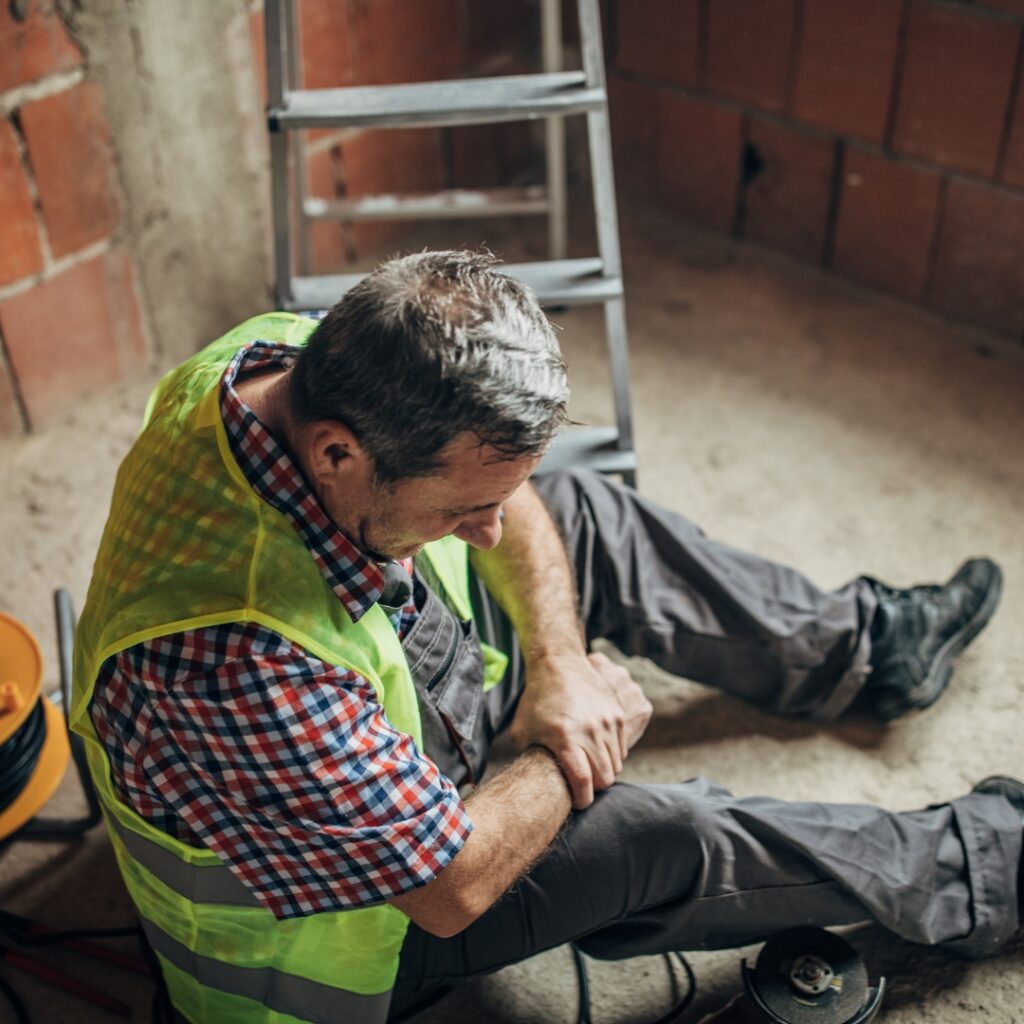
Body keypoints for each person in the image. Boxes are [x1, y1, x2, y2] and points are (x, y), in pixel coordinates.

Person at [71, 250, 1021, 1024]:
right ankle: (982, 865)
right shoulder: (236, 661)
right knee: (661, 829)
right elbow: (450, 885)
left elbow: (513, 499)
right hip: (358, 930)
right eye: (462, 507)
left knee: (579, 516)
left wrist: (561, 670)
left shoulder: (294, 359)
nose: (488, 527)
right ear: (335, 452)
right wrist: (563, 747)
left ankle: (866, 650)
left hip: (384, 731)